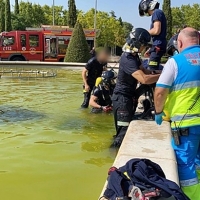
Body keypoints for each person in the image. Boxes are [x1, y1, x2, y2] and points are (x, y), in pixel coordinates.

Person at [154, 27, 200, 199]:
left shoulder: (176, 62)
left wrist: (158, 112)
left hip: (186, 125)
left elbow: (160, 92)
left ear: (179, 43)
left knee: (185, 165)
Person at [111, 28, 160, 148]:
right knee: (122, 135)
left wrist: (158, 72)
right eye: (144, 45)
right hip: (122, 100)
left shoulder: (134, 57)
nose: (145, 48)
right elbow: (143, 79)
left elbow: (146, 72)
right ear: (137, 43)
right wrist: (163, 76)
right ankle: (112, 158)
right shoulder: (127, 59)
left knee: (124, 131)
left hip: (128, 98)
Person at [139, 0, 167, 70]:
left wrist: (143, 33)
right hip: (157, 46)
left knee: (152, 69)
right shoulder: (158, 13)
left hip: (158, 46)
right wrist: (151, 49)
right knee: (153, 66)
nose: (146, 13)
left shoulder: (156, 12)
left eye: (145, 11)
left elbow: (156, 31)